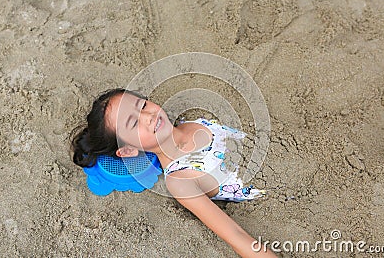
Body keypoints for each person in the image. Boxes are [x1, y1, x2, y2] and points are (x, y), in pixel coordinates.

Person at [71, 88, 277, 258]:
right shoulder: (180, 180)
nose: (149, 117)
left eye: (142, 106)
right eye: (133, 123)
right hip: (278, 189)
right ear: (128, 150)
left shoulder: (193, 118)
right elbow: (236, 234)